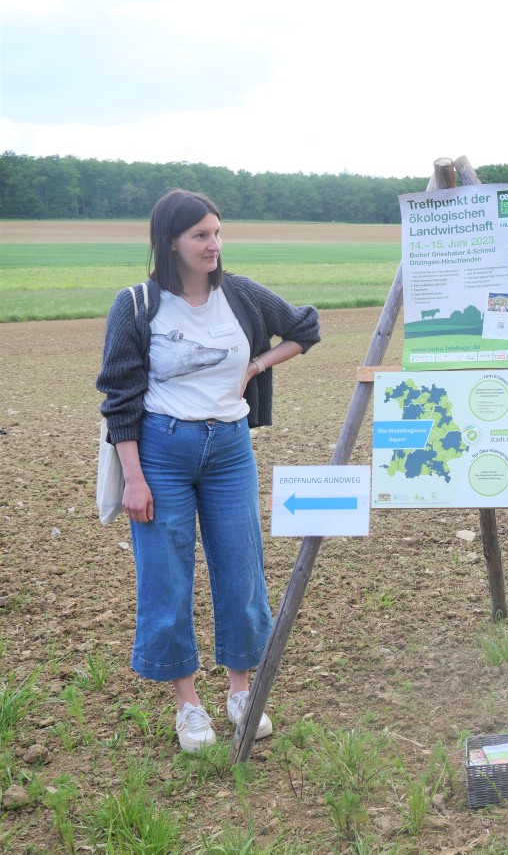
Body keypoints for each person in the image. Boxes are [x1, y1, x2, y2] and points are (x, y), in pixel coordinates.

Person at [97, 189, 320, 753]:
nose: (214, 245)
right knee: (165, 575)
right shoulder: (137, 304)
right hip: (160, 452)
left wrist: (257, 364)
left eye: (217, 233)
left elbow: (305, 327)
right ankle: (188, 704)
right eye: (200, 235)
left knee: (242, 569)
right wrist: (135, 478)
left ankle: (242, 693)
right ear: (170, 241)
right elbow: (119, 396)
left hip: (229, 448)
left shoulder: (241, 294)